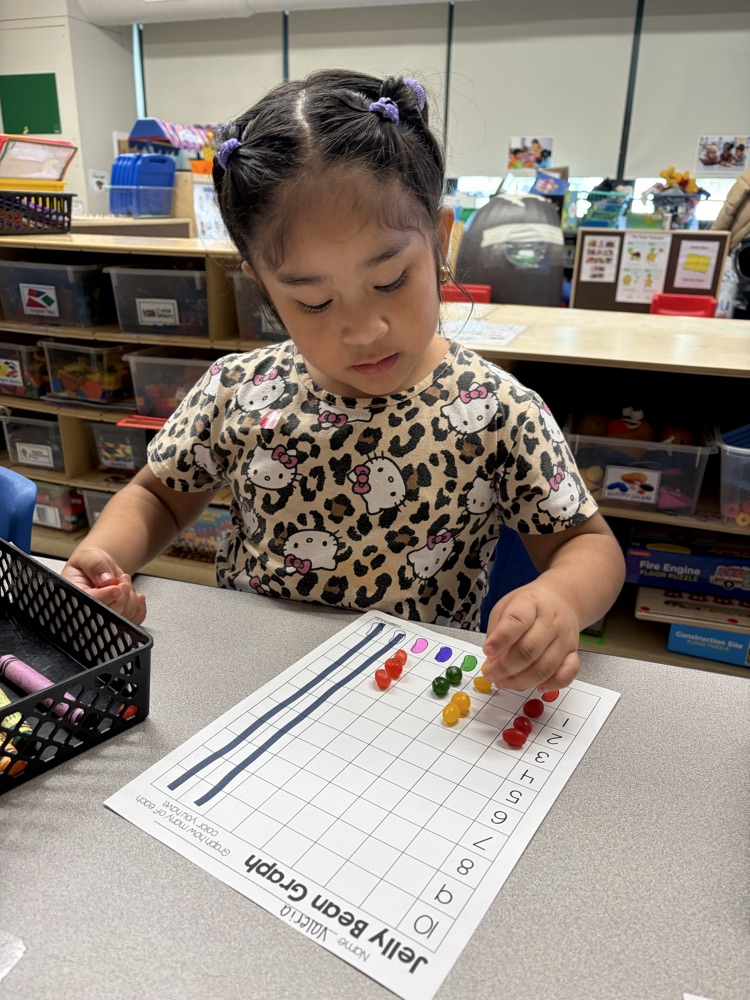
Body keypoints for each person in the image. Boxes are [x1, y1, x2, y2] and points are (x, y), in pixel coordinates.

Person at [62, 69, 625, 693]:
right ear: (264, 289)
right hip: (254, 679)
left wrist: (560, 601)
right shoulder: (238, 389)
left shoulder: (497, 409)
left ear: (439, 243)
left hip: (414, 693)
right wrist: (107, 562)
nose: (363, 330)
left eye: (389, 282)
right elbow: (158, 497)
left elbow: (589, 547)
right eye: (313, 302)